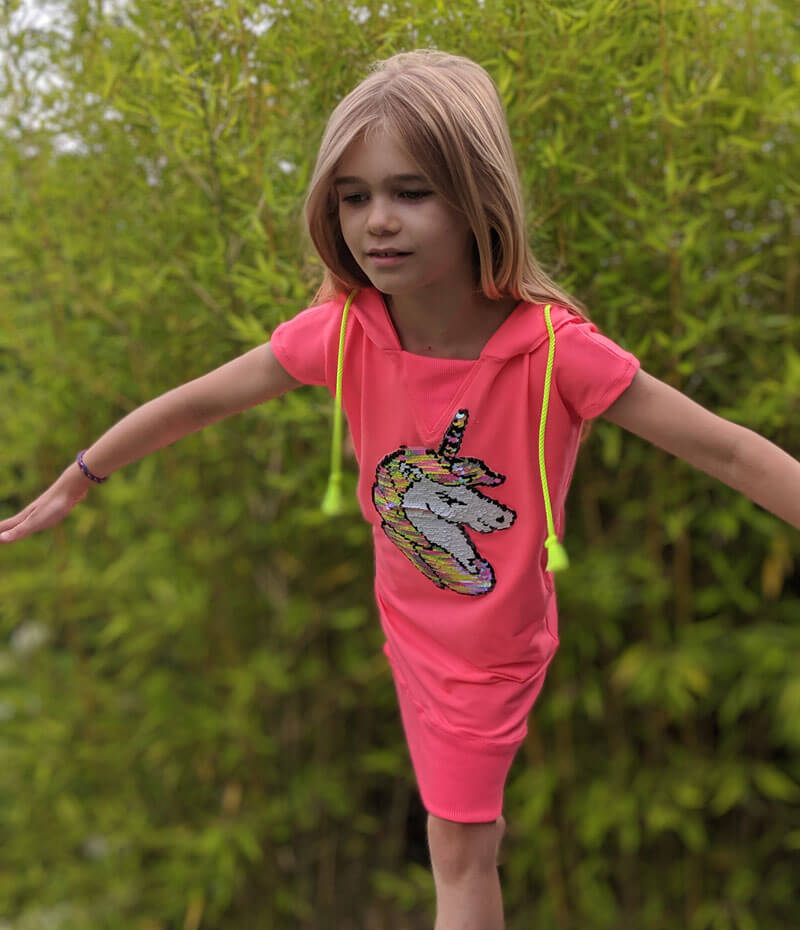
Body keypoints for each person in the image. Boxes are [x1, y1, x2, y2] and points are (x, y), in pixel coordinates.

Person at [1, 49, 798, 930]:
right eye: (353, 197)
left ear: (478, 197)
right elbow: (196, 403)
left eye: (411, 193)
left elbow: (731, 453)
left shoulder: (556, 355)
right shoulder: (344, 334)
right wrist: (80, 477)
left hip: (489, 649)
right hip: (407, 624)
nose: (377, 221)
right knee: (457, 845)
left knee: (459, 852)